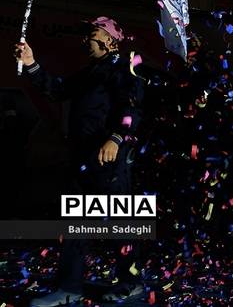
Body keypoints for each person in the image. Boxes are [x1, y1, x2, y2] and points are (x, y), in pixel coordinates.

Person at [15, 17, 145, 306]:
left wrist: (116, 138)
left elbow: (132, 108)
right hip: (83, 159)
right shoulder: (90, 72)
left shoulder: (124, 69)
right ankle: (69, 286)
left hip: (110, 161)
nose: (86, 39)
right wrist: (31, 63)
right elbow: (57, 89)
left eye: (93, 33)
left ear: (110, 39)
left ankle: (132, 281)